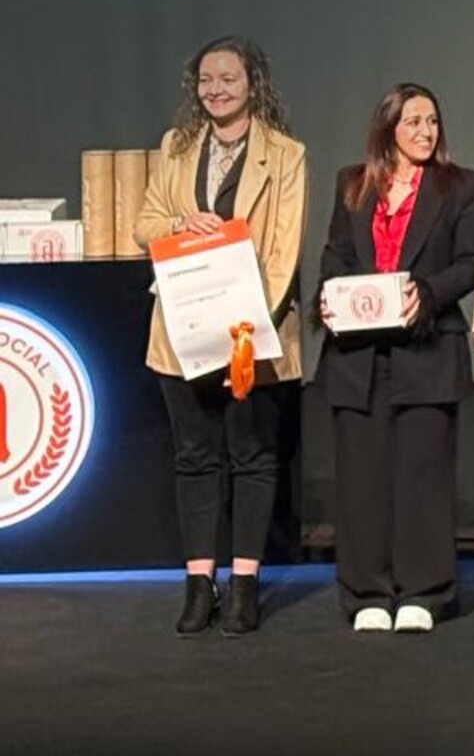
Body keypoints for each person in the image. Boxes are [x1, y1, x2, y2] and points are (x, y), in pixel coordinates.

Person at [137, 35, 307, 637]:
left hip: (250, 332)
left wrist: (252, 322)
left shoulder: (285, 155)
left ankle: (244, 585)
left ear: (253, 83)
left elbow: (284, 248)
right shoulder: (177, 146)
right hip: (182, 326)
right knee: (195, 457)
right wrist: (181, 223)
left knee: (252, 456)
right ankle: (198, 584)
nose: (216, 90)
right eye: (206, 80)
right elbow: (144, 224)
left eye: (228, 78)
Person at [314, 84, 474, 633]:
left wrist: (427, 294)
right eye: (413, 121)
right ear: (388, 128)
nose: (425, 131)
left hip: (426, 350)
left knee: (422, 476)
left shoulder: (460, 186)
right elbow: (336, 255)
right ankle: (366, 592)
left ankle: (424, 592)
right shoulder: (352, 184)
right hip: (358, 357)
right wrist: (329, 297)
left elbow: (471, 262)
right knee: (361, 479)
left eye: (432, 121)